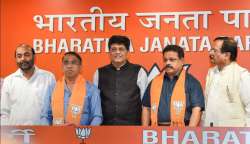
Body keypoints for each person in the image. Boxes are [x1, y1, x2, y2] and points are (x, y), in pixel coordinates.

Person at [142, 45, 205, 127]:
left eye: (172, 60)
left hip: (182, 131)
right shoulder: (154, 82)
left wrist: (189, 133)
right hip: (156, 131)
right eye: (165, 60)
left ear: (182, 61)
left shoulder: (192, 83)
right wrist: (145, 130)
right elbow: (146, 108)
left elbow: (197, 109)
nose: (167, 63)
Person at [93, 35, 148, 125]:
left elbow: (145, 104)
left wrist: (144, 128)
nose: (117, 52)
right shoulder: (99, 72)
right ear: (109, 52)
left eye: (121, 49)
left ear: (127, 52)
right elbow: (95, 103)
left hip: (132, 127)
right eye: (113, 49)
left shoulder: (139, 71)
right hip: (105, 127)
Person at [1, 44, 56, 125]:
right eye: (19, 56)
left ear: (34, 56)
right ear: (16, 59)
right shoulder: (9, 80)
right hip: (15, 134)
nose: (23, 59)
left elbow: (55, 108)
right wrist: (6, 134)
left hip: (43, 132)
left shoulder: (48, 77)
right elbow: (4, 112)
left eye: (27, 55)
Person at [204, 36, 250, 127]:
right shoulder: (211, 73)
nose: (210, 53)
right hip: (211, 133)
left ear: (227, 55)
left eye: (214, 50)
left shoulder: (242, 75)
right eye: (211, 50)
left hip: (235, 136)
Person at [52, 52, 102, 125]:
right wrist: (48, 133)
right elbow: (45, 116)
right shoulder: (52, 88)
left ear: (80, 67)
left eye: (73, 62)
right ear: (62, 67)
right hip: (56, 134)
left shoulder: (91, 89)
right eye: (66, 63)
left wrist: (85, 133)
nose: (69, 66)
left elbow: (97, 117)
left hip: (82, 134)